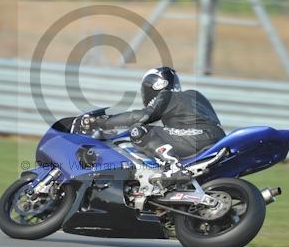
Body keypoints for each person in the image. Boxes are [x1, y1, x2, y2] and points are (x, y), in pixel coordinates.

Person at [89, 67, 225, 182]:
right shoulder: (193, 96)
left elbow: (142, 116)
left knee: (139, 131)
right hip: (215, 138)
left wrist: (104, 122)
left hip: (198, 137)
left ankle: (172, 167)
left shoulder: (168, 95)